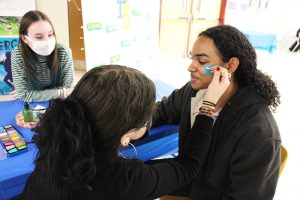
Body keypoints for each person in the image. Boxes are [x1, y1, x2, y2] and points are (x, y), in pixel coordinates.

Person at [17, 64, 230, 200]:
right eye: (146, 116)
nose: (192, 66)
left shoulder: (59, 141)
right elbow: (186, 167)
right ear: (125, 136)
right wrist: (208, 106)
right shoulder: (122, 180)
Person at [154, 25, 281, 200]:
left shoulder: (258, 130)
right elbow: (162, 110)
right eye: (192, 59)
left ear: (230, 65)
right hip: (191, 179)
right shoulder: (194, 92)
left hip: (213, 193)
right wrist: (134, 123)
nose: (191, 67)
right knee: (131, 179)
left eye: (202, 61)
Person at [11, 10, 74, 102]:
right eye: (39, 37)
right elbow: (25, 95)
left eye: (50, 34)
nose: (47, 40)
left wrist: (34, 94)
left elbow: (68, 88)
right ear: (25, 38)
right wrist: (61, 92)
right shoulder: (18, 54)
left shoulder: (64, 52)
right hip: (34, 107)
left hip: (59, 103)